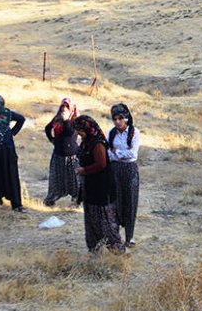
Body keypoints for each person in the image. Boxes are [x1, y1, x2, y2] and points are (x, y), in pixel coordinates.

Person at [73, 115, 124, 254]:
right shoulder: (86, 141)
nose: (78, 133)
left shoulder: (97, 143)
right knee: (91, 220)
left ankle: (117, 251)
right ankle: (95, 250)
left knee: (105, 221)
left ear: (88, 129)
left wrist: (84, 170)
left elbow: (101, 164)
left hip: (102, 188)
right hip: (90, 187)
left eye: (80, 130)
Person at [108, 103, 140, 248]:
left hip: (130, 170)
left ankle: (130, 237)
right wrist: (116, 154)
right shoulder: (112, 133)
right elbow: (108, 152)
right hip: (115, 170)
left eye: (120, 118)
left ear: (126, 118)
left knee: (130, 201)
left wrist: (117, 153)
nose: (117, 122)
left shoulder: (134, 133)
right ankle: (116, 236)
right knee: (115, 201)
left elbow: (132, 154)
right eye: (114, 119)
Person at [43, 98, 80, 207]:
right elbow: (47, 128)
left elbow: (70, 132)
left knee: (74, 179)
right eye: (62, 106)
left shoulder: (76, 121)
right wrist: (52, 139)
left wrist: (66, 120)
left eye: (67, 107)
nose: (64, 109)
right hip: (58, 154)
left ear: (71, 109)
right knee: (56, 179)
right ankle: (52, 198)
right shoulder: (57, 119)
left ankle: (76, 200)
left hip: (72, 155)